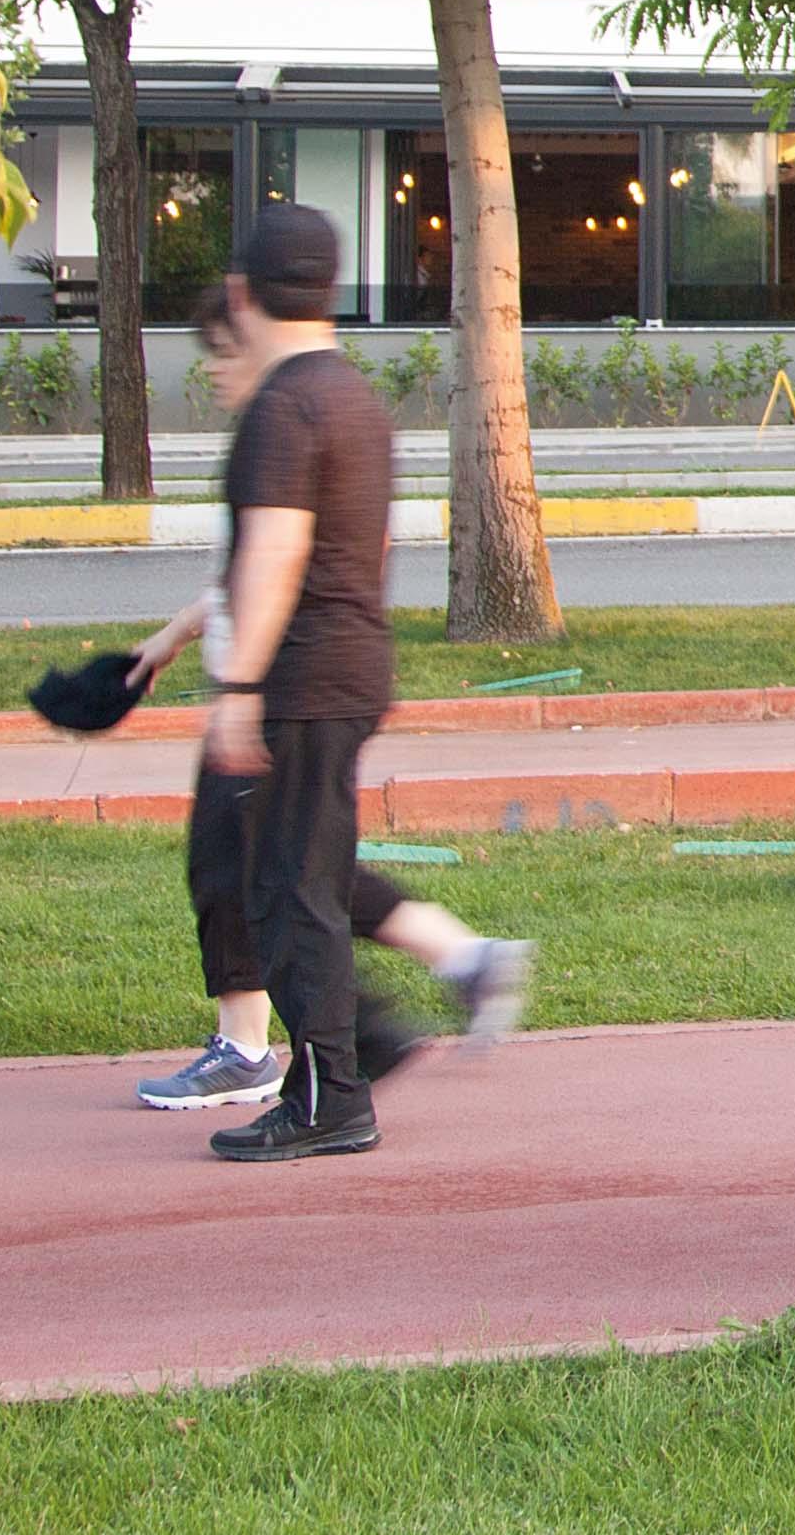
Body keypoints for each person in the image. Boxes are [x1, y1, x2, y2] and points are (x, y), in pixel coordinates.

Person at [113, 280, 534, 1114]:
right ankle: (436, 974)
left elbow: (281, 559)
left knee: (268, 875)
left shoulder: (293, 416)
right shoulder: (316, 410)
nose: (218, 374)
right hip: (281, 684)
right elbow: (256, 566)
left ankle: (296, 1054)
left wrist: (240, 689)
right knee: (277, 868)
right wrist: (171, 640)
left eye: (224, 354)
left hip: (279, 692)